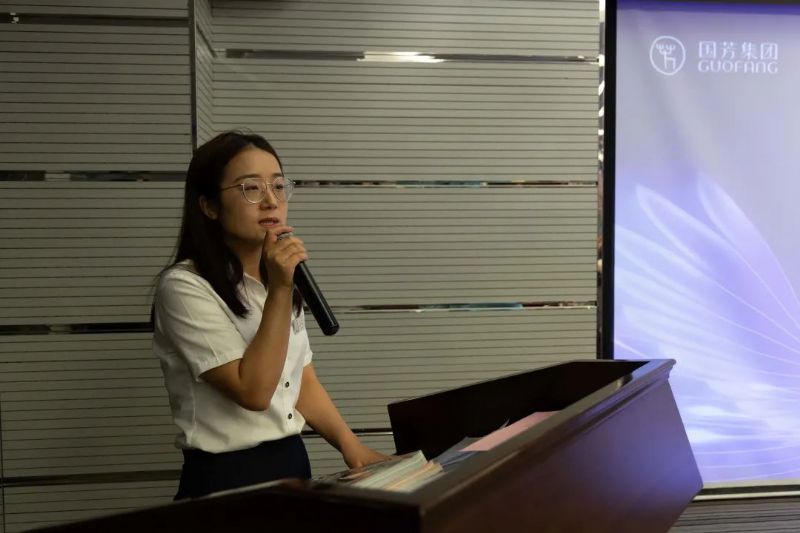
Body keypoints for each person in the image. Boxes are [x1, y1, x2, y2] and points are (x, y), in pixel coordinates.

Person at [153, 130, 387, 499]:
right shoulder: (184, 287)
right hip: (226, 477)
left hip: (291, 461)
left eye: (278, 186)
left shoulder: (275, 278)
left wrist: (351, 446)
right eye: (251, 188)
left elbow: (301, 379)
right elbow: (254, 392)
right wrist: (281, 288)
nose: (271, 201)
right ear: (209, 206)